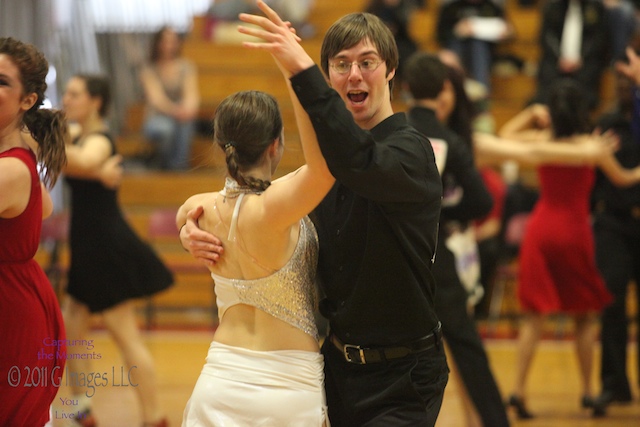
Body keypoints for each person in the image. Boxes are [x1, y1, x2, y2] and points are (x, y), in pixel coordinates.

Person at [182, 2, 448, 425]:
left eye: (367, 62)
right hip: (336, 371)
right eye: (341, 65)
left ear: (391, 70)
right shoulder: (320, 173)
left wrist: (298, 70)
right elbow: (242, 203)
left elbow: (357, 160)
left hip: (404, 376)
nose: (355, 74)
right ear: (329, 78)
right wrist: (190, 225)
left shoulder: (409, 151)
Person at [177, 86, 334, 424]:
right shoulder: (275, 209)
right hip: (287, 391)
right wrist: (296, 80)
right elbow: (324, 166)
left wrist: (184, 233)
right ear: (275, 145)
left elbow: (183, 216)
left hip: (218, 382)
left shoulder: (200, 207)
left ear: (222, 146)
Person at [497, 79, 640, 419]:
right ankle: (589, 393)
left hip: (541, 230)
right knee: (585, 316)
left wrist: (531, 113)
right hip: (575, 232)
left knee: (533, 317)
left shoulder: (544, 141)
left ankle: (518, 389)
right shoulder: (591, 147)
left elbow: (505, 136)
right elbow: (622, 178)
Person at [403, 51, 511, 427]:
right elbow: (481, 200)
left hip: (397, 256)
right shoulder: (450, 139)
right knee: (468, 349)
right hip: (440, 260)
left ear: (405, 88)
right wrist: (443, 211)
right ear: (445, 90)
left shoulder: (393, 131)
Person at [61, 74, 174, 427]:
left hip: (104, 250)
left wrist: (47, 145)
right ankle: (82, 410)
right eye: (66, 92)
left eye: (74, 94)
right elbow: (75, 162)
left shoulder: (101, 139)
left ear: (96, 101)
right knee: (71, 332)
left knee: (125, 336)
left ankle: (154, 417)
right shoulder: (76, 137)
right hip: (85, 248)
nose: (66, 99)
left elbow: (83, 161)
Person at [0, 36, 67, 427]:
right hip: (22, 301)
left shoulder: (10, 169)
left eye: (1, 82)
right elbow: (46, 206)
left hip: (11, 315)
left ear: (28, 100)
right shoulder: (17, 160)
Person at [592, 44, 640, 416]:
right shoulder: (607, 123)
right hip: (613, 223)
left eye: (631, 80)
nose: (625, 85)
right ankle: (613, 385)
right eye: (621, 81)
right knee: (611, 304)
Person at [530, 0, 610, 111]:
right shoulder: (552, 7)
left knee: (588, 85)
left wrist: (581, 58)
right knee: (545, 82)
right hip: (556, 62)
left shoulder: (595, 7)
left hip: (584, 63)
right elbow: (546, 37)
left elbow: (599, 39)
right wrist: (559, 58)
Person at [140, 26, 199, 170]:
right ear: (157, 43)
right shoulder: (149, 69)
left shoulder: (186, 66)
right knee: (166, 129)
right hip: (157, 117)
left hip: (180, 116)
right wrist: (176, 111)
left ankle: (179, 168)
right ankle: (164, 170)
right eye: (165, 41)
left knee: (185, 123)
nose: (169, 45)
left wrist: (188, 109)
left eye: (173, 41)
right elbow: (156, 99)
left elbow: (191, 94)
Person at [436, 0, 514, 91]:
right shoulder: (452, 8)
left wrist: (508, 32)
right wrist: (457, 30)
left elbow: (509, 31)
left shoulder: (491, 7)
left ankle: (480, 91)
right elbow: (440, 34)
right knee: (455, 48)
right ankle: (460, 89)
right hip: (457, 50)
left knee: (478, 45)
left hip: (485, 53)